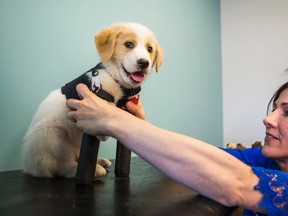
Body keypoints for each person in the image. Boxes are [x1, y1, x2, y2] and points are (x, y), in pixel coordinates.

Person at [66, 82, 288, 216]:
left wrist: (112, 120)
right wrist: (139, 126)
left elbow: (236, 183)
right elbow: (200, 159)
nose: (268, 119)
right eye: (275, 108)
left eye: (286, 112)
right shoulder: (265, 160)